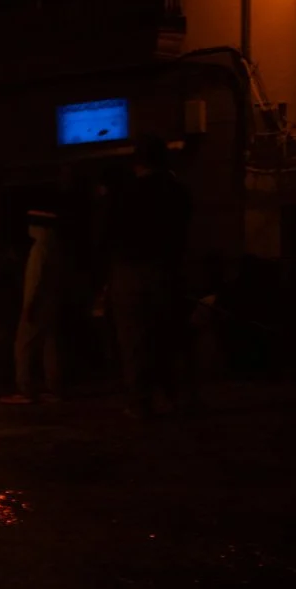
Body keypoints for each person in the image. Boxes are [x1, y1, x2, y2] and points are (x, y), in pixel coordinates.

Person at [103, 135, 193, 417]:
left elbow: (108, 235)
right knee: (170, 336)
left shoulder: (122, 194)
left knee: (134, 341)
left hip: (128, 272)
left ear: (136, 162)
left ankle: (140, 402)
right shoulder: (176, 191)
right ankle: (176, 398)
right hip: (165, 270)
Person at [1, 201, 66, 404]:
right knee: (49, 346)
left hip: (37, 305)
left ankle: (25, 389)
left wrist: (29, 306)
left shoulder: (39, 249)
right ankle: (54, 388)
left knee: (23, 345)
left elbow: (35, 281)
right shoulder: (56, 248)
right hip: (52, 304)